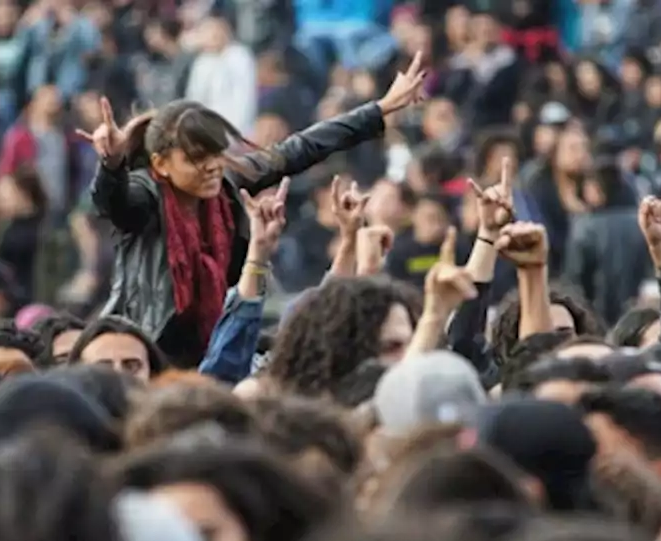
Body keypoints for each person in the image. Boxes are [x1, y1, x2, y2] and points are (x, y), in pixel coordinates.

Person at [81, 53, 429, 368]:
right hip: (149, 355)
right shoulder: (145, 193)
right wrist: (111, 165)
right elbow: (113, 203)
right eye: (195, 159)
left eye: (215, 154)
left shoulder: (230, 184)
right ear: (161, 164)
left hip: (218, 349)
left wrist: (380, 109)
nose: (211, 167)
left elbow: (300, 148)